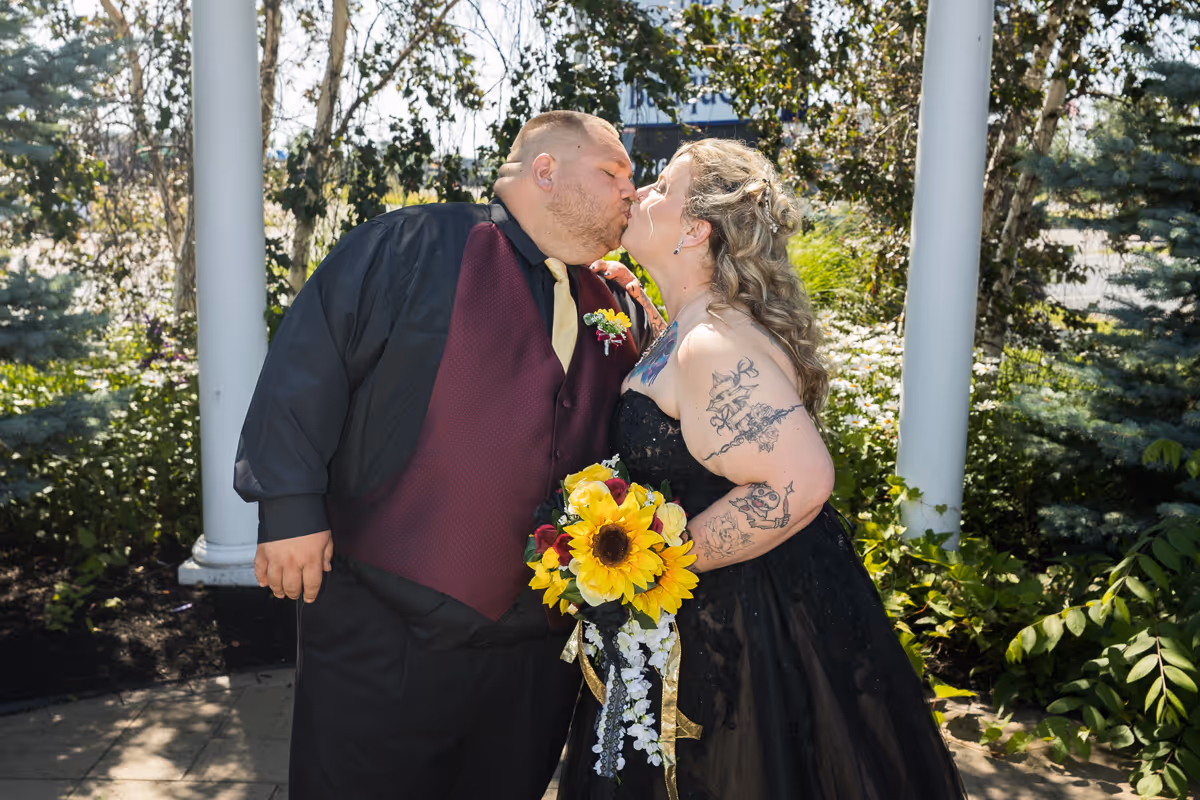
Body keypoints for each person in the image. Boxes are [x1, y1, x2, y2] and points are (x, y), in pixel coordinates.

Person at [233, 110, 650, 800]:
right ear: (544, 170)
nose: (630, 192)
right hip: (385, 622)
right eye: (614, 173)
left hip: (535, 647)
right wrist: (289, 509)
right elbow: (310, 363)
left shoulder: (612, 301)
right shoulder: (411, 245)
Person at [560, 138, 968, 799]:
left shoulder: (714, 343)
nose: (639, 194)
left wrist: (658, 561)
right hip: (712, 618)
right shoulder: (691, 328)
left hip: (735, 640)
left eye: (662, 186)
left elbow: (799, 482)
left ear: (697, 229)